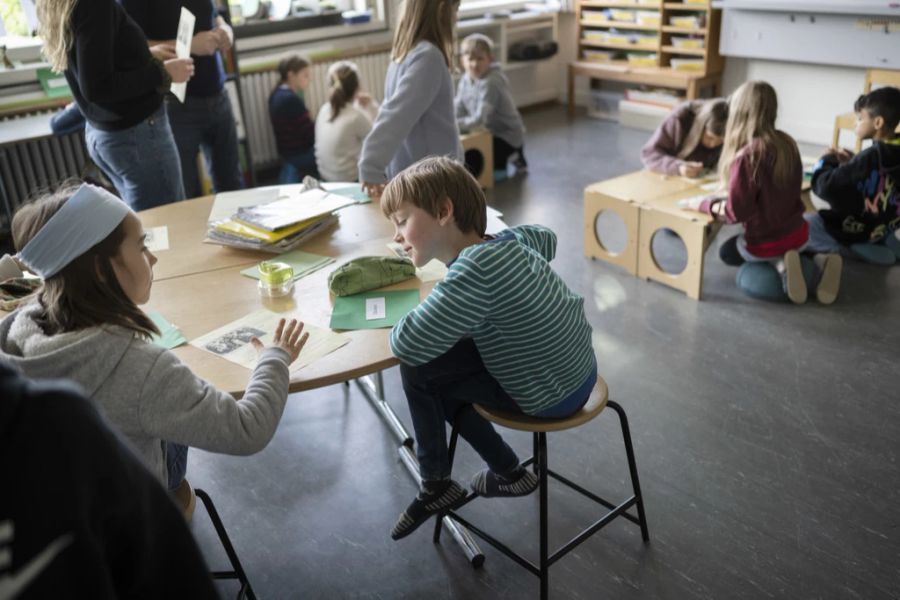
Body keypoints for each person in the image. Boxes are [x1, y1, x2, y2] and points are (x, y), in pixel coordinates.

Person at [0, 183, 309, 491]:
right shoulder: (144, 370)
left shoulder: (14, 329)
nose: (153, 258)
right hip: (131, 517)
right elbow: (248, 428)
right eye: (142, 246)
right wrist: (275, 358)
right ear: (100, 268)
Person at [380, 157, 597, 540]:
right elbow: (546, 236)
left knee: (422, 371)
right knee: (444, 364)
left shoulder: (473, 272)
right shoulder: (505, 242)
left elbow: (406, 343)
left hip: (549, 395)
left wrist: (438, 298)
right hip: (581, 372)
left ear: (444, 211)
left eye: (401, 221)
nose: (396, 235)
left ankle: (445, 482)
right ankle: (503, 473)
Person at [0, 362, 219, 599]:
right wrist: (267, 357)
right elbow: (249, 428)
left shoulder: (17, 355)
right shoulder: (59, 420)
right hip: (153, 484)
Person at [685, 81, 841, 304]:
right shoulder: (787, 142)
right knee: (780, 240)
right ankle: (817, 259)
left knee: (728, 253)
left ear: (739, 113)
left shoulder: (747, 156)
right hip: (799, 233)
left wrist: (703, 204)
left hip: (765, 242)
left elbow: (735, 213)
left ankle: (780, 264)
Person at [35, 0, 194, 210]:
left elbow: (96, 59)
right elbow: (96, 86)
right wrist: (162, 73)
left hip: (108, 134)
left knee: (148, 224)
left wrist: (145, 54)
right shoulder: (94, 4)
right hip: (137, 137)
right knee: (167, 224)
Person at [122, 0, 244, 199]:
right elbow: (129, 47)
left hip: (218, 94)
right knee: (185, 193)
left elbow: (213, 15)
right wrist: (188, 46)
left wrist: (224, 29)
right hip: (176, 103)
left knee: (232, 185)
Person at [358, 0, 463, 200]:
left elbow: (391, 112)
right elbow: (395, 116)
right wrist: (370, 164)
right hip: (430, 180)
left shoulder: (405, 56)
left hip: (417, 175)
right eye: (456, 10)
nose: (457, 18)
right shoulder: (428, 58)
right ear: (443, 10)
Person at [808, 86, 900, 265]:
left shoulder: (869, 158)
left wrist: (826, 161)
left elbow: (824, 187)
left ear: (878, 122)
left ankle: (850, 248)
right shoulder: (884, 152)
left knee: (804, 224)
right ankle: (885, 240)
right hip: (886, 224)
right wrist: (853, 161)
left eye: (860, 118)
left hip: (858, 229)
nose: (855, 123)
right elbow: (880, 169)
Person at [455, 33, 527, 177]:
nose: (475, 64)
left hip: (505, 135)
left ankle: (515, 154)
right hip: (486, 130)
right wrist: (452, 121)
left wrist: (456, 125)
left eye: (480, 59)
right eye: (470, 59)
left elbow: (480, 119)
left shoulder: (491, 82)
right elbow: (458, 106)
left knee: (487, 172)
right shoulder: (465, 79)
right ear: (462, 61)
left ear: (490, 59)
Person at [314, 61, 379, 182]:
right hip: (349, 180)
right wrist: (372, 107)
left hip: (325, 178)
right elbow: (377, 139)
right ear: (357, 86)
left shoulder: (324, 109)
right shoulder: (356, 116)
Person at [641, 98, 728, 177]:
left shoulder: (732, 126)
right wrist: (678, 167)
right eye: (710, 138)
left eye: (720, 140)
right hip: (668, 176)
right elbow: (649, 154)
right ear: (701, 126)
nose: (713, 144)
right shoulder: (679, 119)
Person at [269, 54, 318, 181]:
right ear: (291, 75)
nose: (309, 79)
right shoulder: (292, 100)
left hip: (286, 153)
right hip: (298, 154)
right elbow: (310, 135)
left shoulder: (276, 94)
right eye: (305, 75)